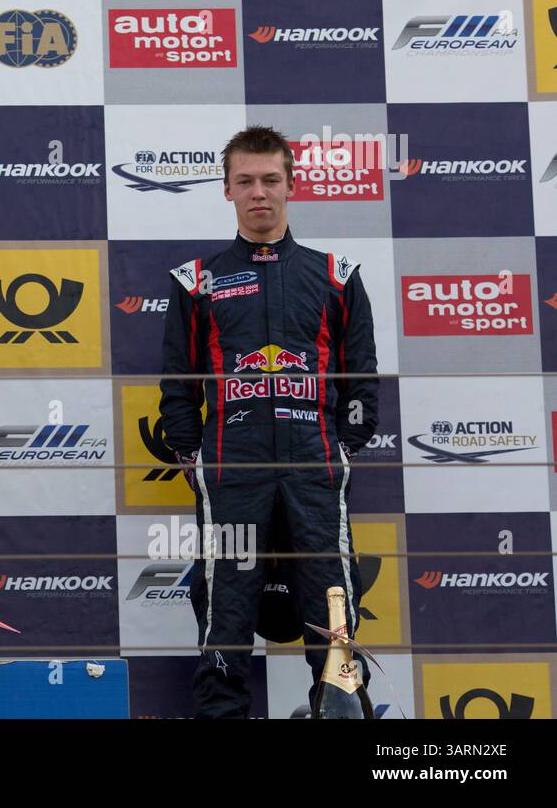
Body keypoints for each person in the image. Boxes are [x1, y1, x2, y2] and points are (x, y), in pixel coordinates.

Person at [159, 125, 378, 718]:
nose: (260, 193)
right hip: (232, 467)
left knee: (331, 603)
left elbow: (362, 377)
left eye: (271, 180)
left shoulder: (336, 273)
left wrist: (344, 448)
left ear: (291, 185)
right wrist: (191, 456)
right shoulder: (195, 280)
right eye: (246, 181)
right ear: (227, 190)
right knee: (226, 607)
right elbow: (177, 387)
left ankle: (340, 710)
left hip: (315, 463)